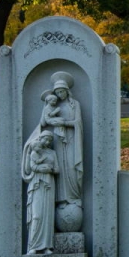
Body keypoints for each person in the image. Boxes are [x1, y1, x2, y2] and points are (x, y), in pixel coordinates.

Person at [39, 71, 83, 206]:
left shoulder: (74, 104)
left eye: (62, 91)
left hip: (72, 139)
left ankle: (74, 197)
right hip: (58, 140)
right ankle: (61, 199)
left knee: (70, 167)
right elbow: (43, 123)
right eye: (57, 92)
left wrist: (64, 123)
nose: (59, 95)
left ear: (67, 91)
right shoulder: (52, 105)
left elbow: (78, 123)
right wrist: (45, 108)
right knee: (60, 168)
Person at [22, 130, 58, 254]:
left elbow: (57, 169)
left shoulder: (52, 153)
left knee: (47, 216)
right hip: (37, 183)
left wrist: (49, 169)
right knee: (37, 215)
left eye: (50, 140)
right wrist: (40, 167)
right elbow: (28, 169)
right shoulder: (34, 152)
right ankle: (33, 246)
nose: (47, 142)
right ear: (40, 138)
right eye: (45, 139)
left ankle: (46, 246)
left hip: (48, 184)